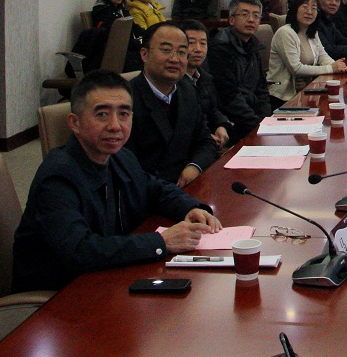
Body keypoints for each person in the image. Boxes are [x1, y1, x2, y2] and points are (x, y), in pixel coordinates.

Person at [11, 70, 222, 292]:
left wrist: (191, 207)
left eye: (123, 114)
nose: (115, 126)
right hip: (62, 294)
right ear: (75, 123)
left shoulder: (121, 157)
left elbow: (155, 190)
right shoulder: (57, 177)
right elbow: (79, 251)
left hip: (109, 277)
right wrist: (162, 242)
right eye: (102, 114)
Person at [126, 22, 218, 186]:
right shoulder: (126, 100)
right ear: (144, 54)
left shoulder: (188, 92)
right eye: (166, 50)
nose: (175, 59)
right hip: (146, 191)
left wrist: (194, 167)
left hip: (187, 185)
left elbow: (206, 142)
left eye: (182, 52)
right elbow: (124, 165)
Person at [267, 0, 347, 104]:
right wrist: (331, 68)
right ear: (295, 9)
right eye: (305, 7)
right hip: (283, 96)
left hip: (306, 91)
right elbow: (296, 69)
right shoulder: (285, 33)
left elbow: (322, 56)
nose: (309, 12)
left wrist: (337, 66)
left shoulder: (312, 32)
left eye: (314, 8)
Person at [208, 0, 273, 137]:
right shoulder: (219, 48)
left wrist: (266, 120)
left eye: (256, 16)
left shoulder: (253, 45)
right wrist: (257, 125)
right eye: (245, 14)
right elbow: (229, 97)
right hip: (231, 122)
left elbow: (262, 89)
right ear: (231, 19)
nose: (251, 20)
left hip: (253, 118)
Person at [180, 19, 232, 150]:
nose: (198, 49)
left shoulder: (204, 77)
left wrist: (222, 125)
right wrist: (206, 138)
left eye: (203, 43)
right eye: (191, 43)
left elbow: (213, 109)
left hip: (210, 144)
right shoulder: (174, 82)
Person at [87, 0, 141, 71]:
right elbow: (112, 33)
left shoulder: (122, 10)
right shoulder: (101, 10)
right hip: (111, 51)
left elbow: (134, 27)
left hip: (126, 46)